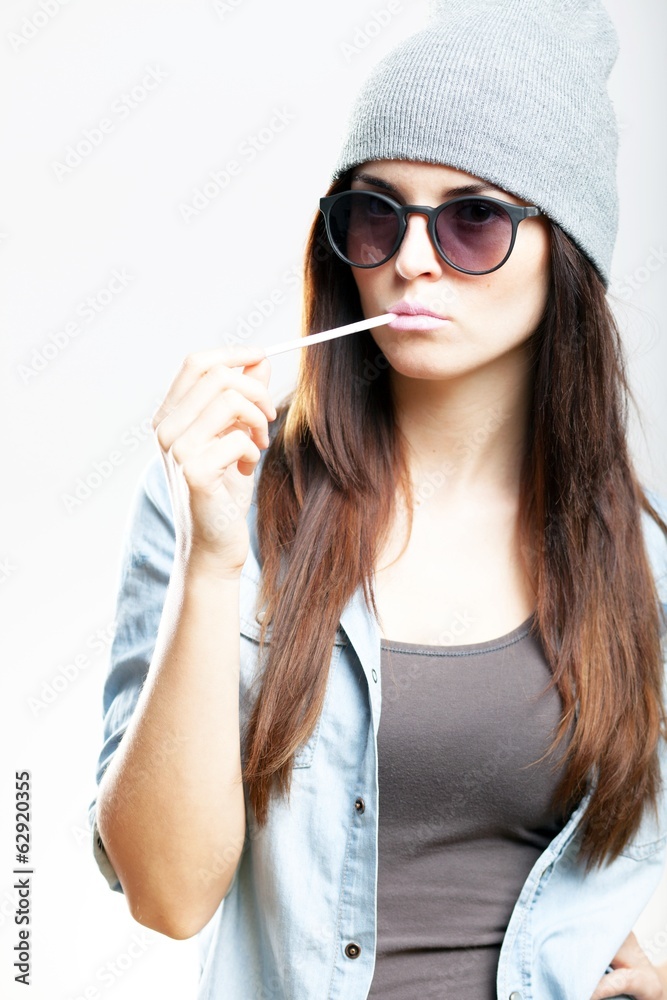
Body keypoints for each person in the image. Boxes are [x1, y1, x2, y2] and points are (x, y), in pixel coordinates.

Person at [88, 0, 667, 997]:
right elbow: (169, 895)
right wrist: (213, 562)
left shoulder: (640, 563)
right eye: (376, 212)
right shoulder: (218, 498)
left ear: (562, 249)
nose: (410, 259)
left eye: (473, 218)